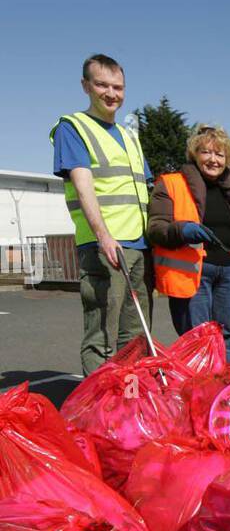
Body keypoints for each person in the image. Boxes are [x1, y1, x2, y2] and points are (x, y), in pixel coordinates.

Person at [50, 54, 152, 374]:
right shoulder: (73, 128)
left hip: (138, 245)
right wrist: (104, 236)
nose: (111, 93)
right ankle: (99, 412)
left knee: (135, 335)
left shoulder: (130, 137)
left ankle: (129, 404)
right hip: (104, 246)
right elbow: (84, 188)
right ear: (86, 86)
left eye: (118, 87)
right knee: (103, 334)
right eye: (102, 85)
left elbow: (146, 189)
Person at [147, 124, 230, 363]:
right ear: (194, 154)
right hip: (194, 273)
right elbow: (155, 229)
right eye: (206, 152)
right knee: (198, 339)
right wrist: (183, 230)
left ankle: (225, 391)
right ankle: (199, 394)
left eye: (220, 154)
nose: (213, 160)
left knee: (228, 337)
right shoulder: (171, 183)